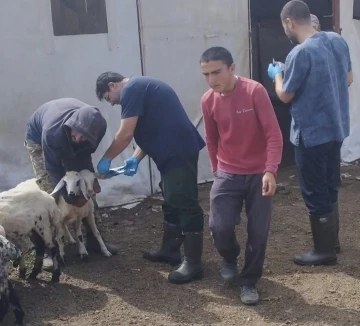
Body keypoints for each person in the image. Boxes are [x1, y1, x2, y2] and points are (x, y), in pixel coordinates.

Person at [95, 72, 206, 284]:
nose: (112, 103)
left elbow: (125, 134)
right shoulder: (141, 88)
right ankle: (170, 251)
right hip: (172, 152)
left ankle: (194, 264)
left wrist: (106, 158)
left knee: (183, 201)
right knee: (171, 199)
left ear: (112, 85)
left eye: (108, 98)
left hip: (178, 151)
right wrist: (135, 159)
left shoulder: (131, 89)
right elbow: (152, 128)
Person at [267, 0, 353, 266]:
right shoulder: (337, 40)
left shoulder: (300, 54)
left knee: (314, 190)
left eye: (285, 26)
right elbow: (349, 79)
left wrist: (277, 74)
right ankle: (332, 242)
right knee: (329, 185)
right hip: (336, 127)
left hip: (312, 133)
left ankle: (323, 251)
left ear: (290, 22)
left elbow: (285, 95)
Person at [200, 46, 283, 305]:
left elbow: (273, 133)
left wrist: (270, 170)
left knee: (258, 231)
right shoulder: (208, 100)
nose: (212, 80)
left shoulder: (254, 91)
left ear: (232, 68)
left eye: (217, 72)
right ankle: (229, 255)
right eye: (206, 74)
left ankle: (249, 281)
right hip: (227, 172)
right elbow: (211, 139)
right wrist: (217, 170)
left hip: (259, 172)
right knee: (219, 226)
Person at [25, 98, 119, 270]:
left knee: (87, 189)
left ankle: (94, 239)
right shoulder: (52, 131)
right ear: (71, 124)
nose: (78, 137)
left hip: (66, 140)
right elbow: (53, 169)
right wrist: (70, 197)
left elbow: (84, 155)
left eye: (84, 136)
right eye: (76, 132)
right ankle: (49, 249)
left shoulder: (99, 128)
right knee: (50, 194)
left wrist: (89, 182)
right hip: (39, 140)